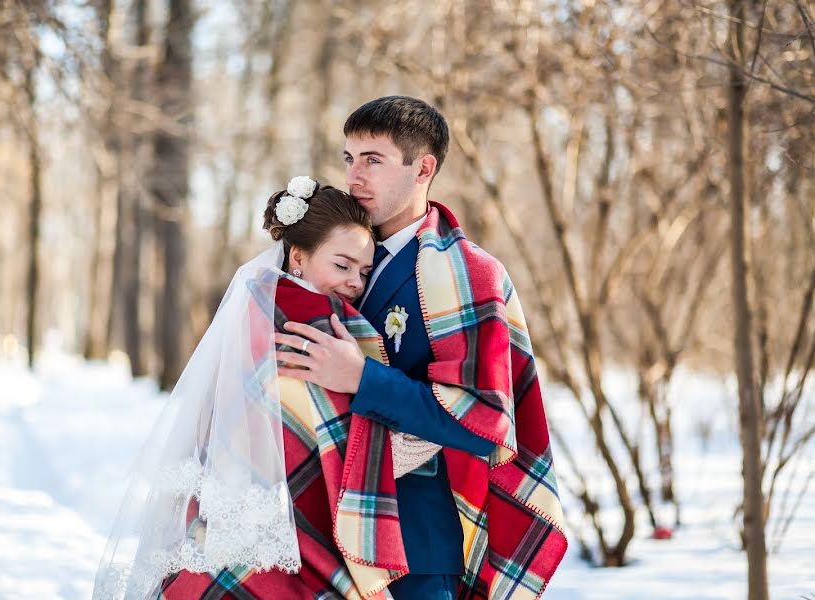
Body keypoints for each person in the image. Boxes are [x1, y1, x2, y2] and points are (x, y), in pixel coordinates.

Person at [276, 96, 567, 599]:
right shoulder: (337, 256)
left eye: (373, 160)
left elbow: (484, 423)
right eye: (349, 158)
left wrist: (360, 378)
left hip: (414, 548)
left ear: (423, 168)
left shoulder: (468, 274)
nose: (355, 176)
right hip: (315, 538)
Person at [94, 179, 419, 600]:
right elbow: (353, 432)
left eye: (363, 271)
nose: (355, 282)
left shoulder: (254, 309)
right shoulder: (320, 326)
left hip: (234, 518)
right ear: (298, 256)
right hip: (288, 531)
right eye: (342, 265)